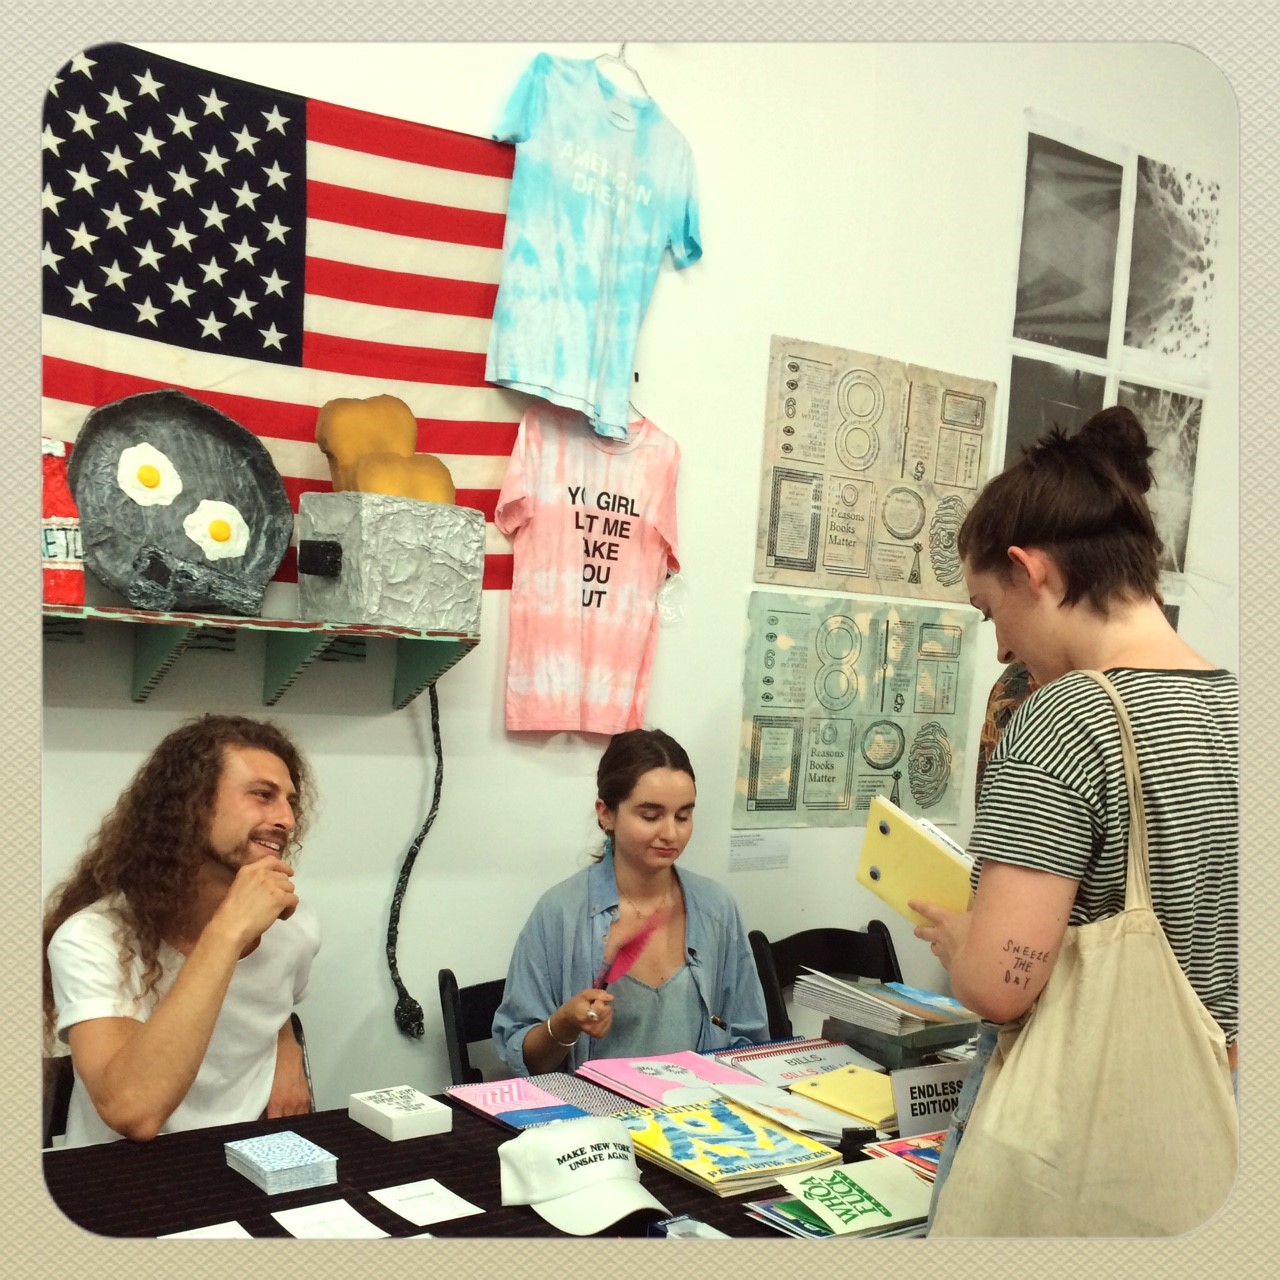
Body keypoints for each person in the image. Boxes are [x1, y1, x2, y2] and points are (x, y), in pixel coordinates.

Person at [908, 406, 1238, 1220]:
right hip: (1218, 1126)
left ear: (1031, 571)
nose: (1001, 648)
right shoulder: (1240, 708)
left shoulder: (1065, 719)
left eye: (989, 610)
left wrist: (961, 939)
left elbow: (1000, 985)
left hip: (1082, 1137)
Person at [43, 714, 322, 1146]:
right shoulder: (92, 938)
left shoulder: (295, 928)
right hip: (125, 1169)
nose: (286, 819)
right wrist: (228, 930)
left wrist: (288, 1048)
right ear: (191, 804)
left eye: (290, 801)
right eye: (263, 795)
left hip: (249, 1152)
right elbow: (133, 1111)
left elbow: (267, 1003)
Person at [492, 728, 768, 1075]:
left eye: (683, 816)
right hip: (593, 1107)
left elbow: (750, 1041)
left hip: (698, 1107)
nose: (670, 833)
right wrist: (564, 1024)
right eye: (650, 816)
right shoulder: (560, 913)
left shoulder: (717, 908)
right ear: (606, 814)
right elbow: (526, 1060)